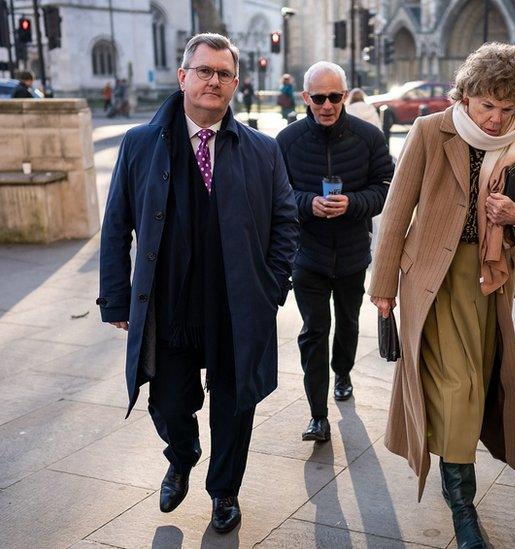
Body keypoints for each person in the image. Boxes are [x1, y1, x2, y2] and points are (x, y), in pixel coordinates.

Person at [97, 33, 299, 535]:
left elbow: (286, 222)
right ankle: (182, 454)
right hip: (170, 307)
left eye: (223, 73)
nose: (213, 80)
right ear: (182, 76)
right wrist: (116, 297)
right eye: (204, 70)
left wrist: (271, 287)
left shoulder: (262, 149)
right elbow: (117, 223)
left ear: (235, 83)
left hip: (237, 305)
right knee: (166, 401)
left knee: (235, 404)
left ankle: (224, 490)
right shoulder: (140, 143)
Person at [369, 43, 515, 547]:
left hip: (491, 280)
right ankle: (463, 507)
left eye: (507, 108)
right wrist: (383, 289)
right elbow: (397, 210)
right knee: (459, 387)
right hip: (434, 278)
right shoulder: (431, 131)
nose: (496, 120)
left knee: (481, 379)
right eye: (487, 105)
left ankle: (461, 492)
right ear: (466, 95)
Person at [276, 62, 394, 443]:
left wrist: (353, 203)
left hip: (352, 253)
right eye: (320, 98)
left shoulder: (369, 137)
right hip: (307, 254)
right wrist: (308, 203)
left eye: (336, 97)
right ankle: (317, 414)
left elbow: (385, 187)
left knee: (347, 323)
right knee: (313, 331)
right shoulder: (287, 141)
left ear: (345, 95)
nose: (328, 105)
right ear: (306, 97)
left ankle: (342, 371)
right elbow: (276, 195)